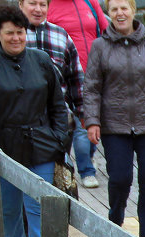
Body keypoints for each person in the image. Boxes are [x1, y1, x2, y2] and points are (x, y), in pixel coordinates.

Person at [0, 4, 68, 237]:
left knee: (39, 205)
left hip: (41, 146)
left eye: (20, 32)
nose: (16, 38)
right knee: (9, 209)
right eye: (9, 33)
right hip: (2, 149)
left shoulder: (40, 60)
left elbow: (58, 105)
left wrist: (59, 138)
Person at [82, 0, 145, 237]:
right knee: (119, 178)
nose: (120, 13)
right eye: (114, 9)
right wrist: (92, 121)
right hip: (115, 125)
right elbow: (92, 87)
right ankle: (115, 218)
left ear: (133, 11)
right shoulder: (100, 46)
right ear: (108, 13)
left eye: (124, 8)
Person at [0, 0, 84, 171]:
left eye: (42, 4)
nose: (38, 9)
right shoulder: (5, 36)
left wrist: (83, 114)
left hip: (56, 124)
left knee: (54, 182)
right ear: (21, 4)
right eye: (32, 3)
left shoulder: (61, 35)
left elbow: (75, 77)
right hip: (15, 128)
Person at [45, 0, 105, 187]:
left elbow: (104, 29)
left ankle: (88, 156)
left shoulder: (89, 2)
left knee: (94, 119)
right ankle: (86, 171)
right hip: (67, 75)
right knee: (80, 124)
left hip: (94, 72)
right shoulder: (51, 6)